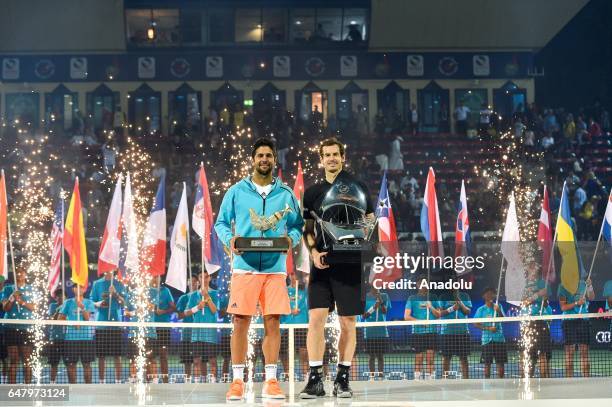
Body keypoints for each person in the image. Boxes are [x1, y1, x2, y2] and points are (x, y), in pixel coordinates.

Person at [214, 137, 304, 400]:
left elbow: (298, 226)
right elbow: (220, 223)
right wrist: (230, 241)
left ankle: (271, 380)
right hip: (244, 268)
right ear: (252, 159)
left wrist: (291, 240)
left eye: (269, 155)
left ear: (275, 160)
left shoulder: (286, 193)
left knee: (272, 322)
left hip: (275, 268)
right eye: (260, 155)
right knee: (240, 322)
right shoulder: (236, 191)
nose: (264, 159)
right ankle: (238, 382)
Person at [300, 137, 374, 399]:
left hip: (351, 265)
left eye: (335, 154)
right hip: (321, 266)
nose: (331, 158)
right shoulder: (311, 193)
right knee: (315, 320)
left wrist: (362, 239)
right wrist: (313, 252)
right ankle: (315, 379)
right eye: (326, 155)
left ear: (343, 157)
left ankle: (342, 379)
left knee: (348, 322)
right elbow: (307, 230)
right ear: (321, 159)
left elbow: (370, 220)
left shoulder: (359, 187)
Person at [90, 269, 127, 383]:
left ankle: (118, 381)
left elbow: (124, 303)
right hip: (101, 324)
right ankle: (102, 381)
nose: (108, 270)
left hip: (116, 324)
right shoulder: (97, 284)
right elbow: (92, 302)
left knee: (117, 355)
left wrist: (115, 294)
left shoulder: (120, 284)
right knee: (101, 356)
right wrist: (99, 303)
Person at [2, 265, 35, 384]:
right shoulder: (8, 289)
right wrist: (12, 298)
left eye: (22, 272)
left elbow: (34, 307)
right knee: (14, 361)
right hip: (11, 327)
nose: (19, 274)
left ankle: (28, 388)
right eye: (17, 272)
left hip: (27, 327)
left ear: (26, 274)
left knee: (27, 361)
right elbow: (5, 308)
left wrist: (21, 301)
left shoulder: (32, 289)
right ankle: (12, 389)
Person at [433, 277, 472, 379]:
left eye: (456, 283)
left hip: (462, 332)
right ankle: (445, 379)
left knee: (464, 358)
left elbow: (467, 311)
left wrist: (460, 302)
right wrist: (452, 309)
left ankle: (466, 380)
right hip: (447, 332)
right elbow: (439, 313)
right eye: (452, 283)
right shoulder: (443, 296)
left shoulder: (465, 296)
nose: (454, 285)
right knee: (446, 358)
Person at [185, 271, 219, 382]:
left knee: (212, 360)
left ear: (210, 278)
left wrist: (207, 296)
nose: (204, 279)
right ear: (199, 279)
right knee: (196, 361)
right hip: (197, 333)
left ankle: (213, 382)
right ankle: (197, 383)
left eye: (206, 276)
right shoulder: (193, 295)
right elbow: (186, 312)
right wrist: (198, 307)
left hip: (210, 333)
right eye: (201, 277)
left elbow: (214, 310)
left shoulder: (214, 293)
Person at [520, 262, 552, 378]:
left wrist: (545, 298)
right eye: (531, 267)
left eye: (534, 267)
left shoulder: (542, 283)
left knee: (542, 354)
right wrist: (537, 294)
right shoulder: (523, 284)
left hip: (540, 322)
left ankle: (545, 380)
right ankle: (527, 380)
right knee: (527, 355)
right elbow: (523, 303)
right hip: (527, 322)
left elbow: (546, 303)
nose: (533, 269)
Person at [59, 284, 96, 384]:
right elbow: (60, 319)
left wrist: (82, 307)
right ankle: (73, 387)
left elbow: (88, 319)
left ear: (84, 290)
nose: (79, 289)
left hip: (86, 339)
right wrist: (72, 323)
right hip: (71, 339)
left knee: (87, 364)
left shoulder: (89, 303)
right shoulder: (67, 302)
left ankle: (88, 388)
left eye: (81, 287)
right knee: (71, 364)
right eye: (77, 287)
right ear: (73, 289)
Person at [559, 278, 595, 377]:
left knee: (584, 353)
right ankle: (569, 382)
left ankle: (586, 381)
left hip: (583, 321)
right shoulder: (563, 286)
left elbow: (591, 297)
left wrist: (590, 286)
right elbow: (563, 307)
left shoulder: (584, 283)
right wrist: (576, 303)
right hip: (568, 321)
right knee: (569, 354)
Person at [404, 275, 438, 379]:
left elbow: (438, 315)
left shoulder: (433, 297)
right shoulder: (412, 298)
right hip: (418, 333)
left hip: (431, 332)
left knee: (430, 359)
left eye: (425, 283)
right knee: (418, 359)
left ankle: (430, 379)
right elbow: (406, 317)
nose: (423, 285)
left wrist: (431, 306)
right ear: (417, 285)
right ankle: (417, 379)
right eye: (421, 283)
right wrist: (421, 322)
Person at [280, 273, 309, 380]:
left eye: (295, 275)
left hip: (301, 324)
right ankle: (287, 374)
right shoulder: (284, 291)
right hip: (287, 325)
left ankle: (305, 374)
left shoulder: (304, 291)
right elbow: (280, 305)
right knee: (284, 350)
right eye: (292, 274)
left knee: (303, 350)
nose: (294, 277)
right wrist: (290, 311)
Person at [473, 287, 506, 379]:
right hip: (486, 340)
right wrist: (488, 328)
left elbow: (505, 319)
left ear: (495, 295)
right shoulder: (481, 310)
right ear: (484, 296)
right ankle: (487, 383)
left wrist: (499, 311)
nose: (490, 295)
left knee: (501, 364)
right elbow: (475, 324)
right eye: (487, 293)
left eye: (492, 293)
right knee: (487, 364)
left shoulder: (498, 306)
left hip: (499, 339)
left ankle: (501, 382)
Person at [149, 276, 175, 383]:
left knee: (163, 355)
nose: (156, 279)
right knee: (150, 356)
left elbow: (173, 307)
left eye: (158, 277)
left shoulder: (166, 291)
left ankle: (165, 381)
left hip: (163, 328)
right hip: (150, 328)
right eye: (154, 277)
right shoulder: (147, 291)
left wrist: (163, 311)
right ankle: (151, 381)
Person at [361, 286, 391, 376]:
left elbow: (385, 312)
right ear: (371, 287)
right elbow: (364, 316)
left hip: (382, 331)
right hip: (369, 332)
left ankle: (381, 375)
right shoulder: (365, 297)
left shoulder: (385, 296)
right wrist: (374, 307)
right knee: (371, 356)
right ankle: (372, 376)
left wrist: (381, 303)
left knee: (380, 356)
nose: (377, 288)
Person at [176, 273, 199, 381]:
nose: (193, 283)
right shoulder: (183, 298)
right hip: (186, 334)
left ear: (198, 283)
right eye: (191, 281)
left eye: (195, 281)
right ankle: (187, 381)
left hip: (198, 334)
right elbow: (179, 316)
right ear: (188, 283)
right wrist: (191, 310)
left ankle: (197, 382)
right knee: (187, 362)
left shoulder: (202, 296)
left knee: (197, 360)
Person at [46, 288, 65, 384]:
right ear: (56, 298)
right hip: (54, 338)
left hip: (66, 339)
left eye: (63, 296)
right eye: (59, 296)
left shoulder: (68, 305)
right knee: (54, 364)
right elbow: (51, 319)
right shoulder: (52, 306)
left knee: (69, 363)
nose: (61, 298)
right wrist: (58, 310)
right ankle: (52, 383)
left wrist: (64, 308)